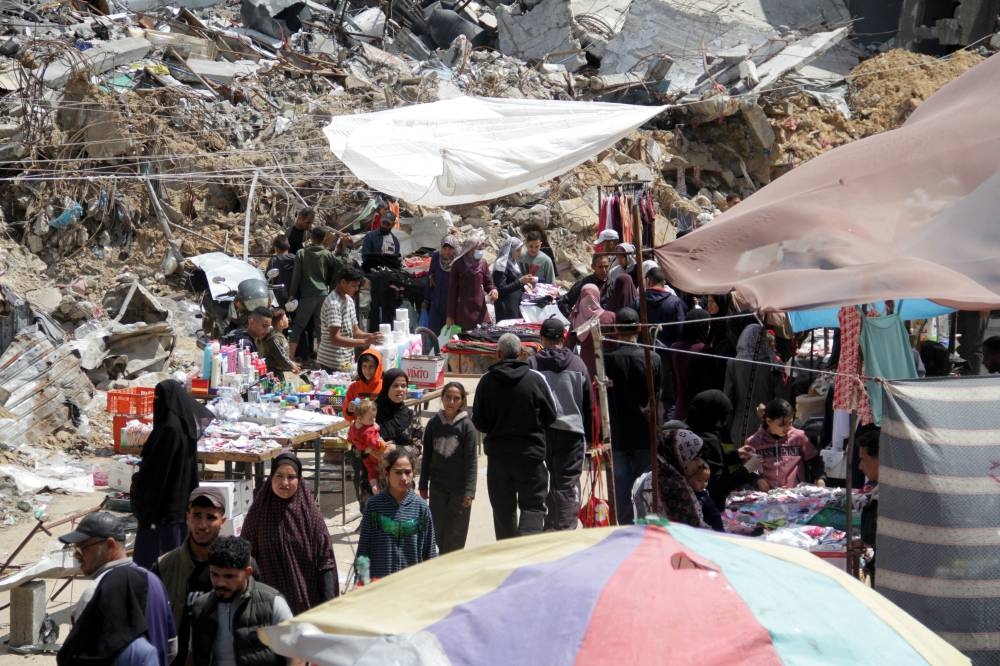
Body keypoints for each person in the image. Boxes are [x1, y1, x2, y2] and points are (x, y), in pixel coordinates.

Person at [58, 512, 176, 666]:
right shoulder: (154, 581)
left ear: (110, 544)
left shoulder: (97, 590)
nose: (77, 555)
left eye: (83, 547)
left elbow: (79, 654)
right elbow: (172, 647)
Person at [153, 487, 252, 666]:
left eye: (211, 517)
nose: (202, 525)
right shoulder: (164, 567)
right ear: (187, 517)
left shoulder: (242, 566)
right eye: (197, 516)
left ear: (223, 521)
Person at [473, 333, 557, 538]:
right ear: (520, 353)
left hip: (498, 459)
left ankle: (508, 559)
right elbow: (551, 415)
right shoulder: (536, 379)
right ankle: (526, 554)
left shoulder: (486, 381)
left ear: (498, 353)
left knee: (503, 511)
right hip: (531, 456)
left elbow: (479, 422)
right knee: (534, 507)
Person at [241, 453, 339, 615]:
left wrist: (329, 602)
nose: (284, 483)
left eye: (291, 477)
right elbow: (245, 555)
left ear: (299, 480)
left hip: (307, 604)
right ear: (271, 477)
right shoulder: (258, 513)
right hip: (268, 605)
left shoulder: (310, 515)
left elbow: (325, 561)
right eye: (279, 476)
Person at [132, 380, 214, 569]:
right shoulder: (184, 427)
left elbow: (159, 474)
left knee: (157, 564)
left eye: (158, 398)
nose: (156, 402)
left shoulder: (168, 430)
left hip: (162, 510)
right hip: (178, 504)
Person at [189, 537, 295, 666]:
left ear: (248, 572)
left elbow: (295, 653)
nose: (220, 583)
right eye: (214, 575)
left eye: (229, 576)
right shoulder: (201, 607)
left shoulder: (272, 603)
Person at [528, 318, 592, 530]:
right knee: (566, 485)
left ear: (542, 338)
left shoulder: (533, 364)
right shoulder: (578, 364)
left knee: (543, 483)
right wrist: (591, 437)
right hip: (572, 434)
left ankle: (548, 529)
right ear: (564, 337)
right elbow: (589, 404)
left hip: (542, 434)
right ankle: (564, 530)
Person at [604, 307, 661, 524]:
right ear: (638, 328)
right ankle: (645, 530)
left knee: (621, 491)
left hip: (619, 436)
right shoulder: (652, 358)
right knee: (646, 490)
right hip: (644, 435)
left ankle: (626, 530)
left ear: (617, 329)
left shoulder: (608, 360)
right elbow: (657, 398)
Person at [357, 446, 437, 579]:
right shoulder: (374, 506)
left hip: (410, 587)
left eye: (408, 472)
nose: (404, 477)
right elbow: (364, 551)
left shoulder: (422, 509)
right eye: (398, 472)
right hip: (380, 587)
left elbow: (430, 554)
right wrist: (362, 584)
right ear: (387, 473)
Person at [419, 382, 478, 553]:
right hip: (437, 487)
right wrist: (423, 484)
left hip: (459, 489)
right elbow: (427, 456)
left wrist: (470, 490)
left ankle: (450, 563)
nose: (451, 401)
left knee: (457, 530)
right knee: (437, 528)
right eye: (448, 397)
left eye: (456, 398)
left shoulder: (467, 427)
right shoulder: (433, 424)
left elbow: (471, 462)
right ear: (442, 398)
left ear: (462, 401)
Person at [686, 389, 760, 510]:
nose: (722, 423)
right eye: (722, 417)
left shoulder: (687, 432)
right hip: (707, 507)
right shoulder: (708, 440)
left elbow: (709, 462)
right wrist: (747, 470)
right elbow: (718, 486)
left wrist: (736, 455)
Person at [745, 398, 824, 490]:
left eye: (790, 423)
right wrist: (758, 480)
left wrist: (820, 478)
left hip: (795, 494)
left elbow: (814, 460)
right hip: (766, 497)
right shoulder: (755, 442)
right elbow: (749, 468)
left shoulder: (799, 437)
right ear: (768, 421)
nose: (787, 428)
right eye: (782, 425)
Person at [725, 323, 783, 446]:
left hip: (739, 425)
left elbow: (728, 396)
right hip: (766, 425)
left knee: (743, 461)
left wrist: (727, 424)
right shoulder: (773, 365)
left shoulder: (733, 363)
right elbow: (780, 399)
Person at [288, 225, 340, 362]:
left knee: (298, 326)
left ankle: (289, 358)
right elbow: (336, 271)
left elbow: (296, 277)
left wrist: (292, 295)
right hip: (323, 294)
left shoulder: (301, 253)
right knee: (321, 328)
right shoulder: (328, 255)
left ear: (311, 238)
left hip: (307, 295)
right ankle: (322, 360)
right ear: (324, 239)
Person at [316, 267, 381, 372]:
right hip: (331, 363)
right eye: (353, 286)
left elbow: (355, 331)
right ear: (343, 282)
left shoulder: (349, 300)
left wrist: (371, 336)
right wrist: (364, 341)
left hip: (346, 361)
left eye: (358, 286)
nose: (356, 289)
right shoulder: (333, 304)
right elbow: (335, 339)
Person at [446, 236, 497, 332]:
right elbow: (452, 292)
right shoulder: (458, 264)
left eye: (482, 249)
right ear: (470, 249)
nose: (481, 251)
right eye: (478, 249)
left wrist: (493, 290)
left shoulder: (483, 263)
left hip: (481, 312)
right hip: (464, 312)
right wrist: (450, 315)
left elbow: (489, 283)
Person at [670, 308, 712, 420]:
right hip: (699, 408)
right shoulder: (704, 350)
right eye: (707, 325)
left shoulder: (675, 347)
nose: (709, 329)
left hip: (680, 405)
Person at [569, 283, 615, 379]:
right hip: (607, 362)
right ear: (598, 296)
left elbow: (568, 345)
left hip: (586, 363)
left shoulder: (575, 320)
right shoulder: (610, 317)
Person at [348, 399, 389, 495]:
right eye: (370, 418)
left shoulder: (354, 425)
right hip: (374, 455)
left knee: (371, 471)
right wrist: (381, 443)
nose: (373, 420)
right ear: (360, 418)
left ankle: (374, 486)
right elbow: (374, 444)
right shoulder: (367, 431)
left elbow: (349, 438)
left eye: (374, 417)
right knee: (385, 466)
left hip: (365, 456)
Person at [856, 428, 880, 584]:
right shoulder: (879, 490)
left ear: (879, 459)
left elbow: (869, 536)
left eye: (863, 459)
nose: (860, 466)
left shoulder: (883, 497)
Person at [376, 368, 422, 448]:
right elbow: (359, 445)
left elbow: (417, 447)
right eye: (395, 385)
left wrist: (397, 450)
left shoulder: (411, 415)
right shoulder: (371, 413)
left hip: (405, 459)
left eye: (403, 386)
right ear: (386, 388)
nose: (400, 389)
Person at [422, 235, 458, 333]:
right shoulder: (436, 257)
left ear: (454, 249)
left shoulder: (458, 261)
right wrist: (426, 299)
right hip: (436, 301)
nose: (446, 251)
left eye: (450, 249)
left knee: (448, 335)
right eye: (444, 248)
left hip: (451, 305)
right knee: (433, 332)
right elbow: (430, 277)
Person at [492, 237, 531, 322]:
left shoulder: (513, 262)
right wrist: (520, 281)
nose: (520, 253)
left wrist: (525, 284)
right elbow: (501, 289)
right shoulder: (501, 265)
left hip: (515, 304)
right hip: (506, 307)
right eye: (518, 250)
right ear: (510, 250)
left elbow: (514, 281)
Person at [343, 347, 383, 419]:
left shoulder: (384, 387)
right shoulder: (353, 387)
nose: (367, 371)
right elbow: (347, 416)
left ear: (378, 367)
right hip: (359, 428)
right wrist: (349, 410)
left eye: (371, 367)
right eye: (364, 366)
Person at [266, 235, 295, 308]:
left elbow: (268, 278)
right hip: (295, 295)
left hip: (279, 297)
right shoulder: (296, 258)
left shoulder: (273, 260)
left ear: (276, 248)